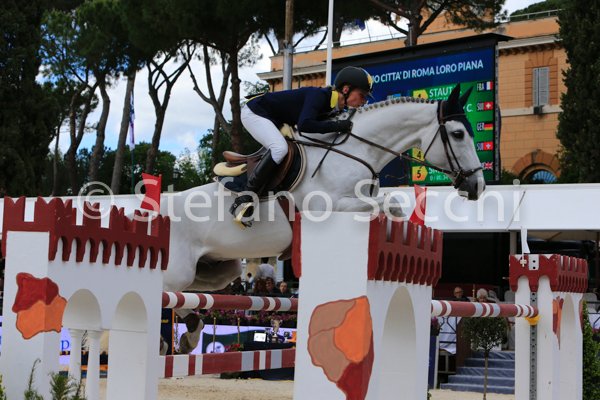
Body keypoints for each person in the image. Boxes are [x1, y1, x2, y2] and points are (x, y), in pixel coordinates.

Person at [229, 66, 374, 227]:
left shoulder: (334, 108)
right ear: (346, 89)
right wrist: (338, 126)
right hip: (255, 112)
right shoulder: (319, 96)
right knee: (279, 148)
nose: (363, 101)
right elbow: (305, 125)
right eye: (362, 95)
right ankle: (245, 198)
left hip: (275, 119)